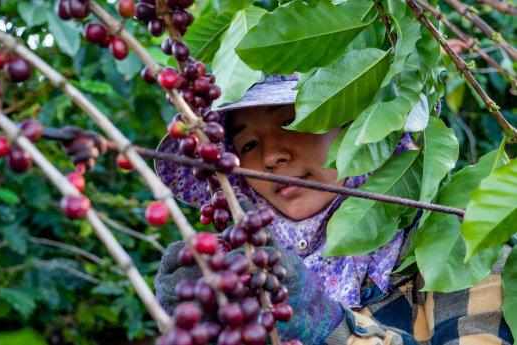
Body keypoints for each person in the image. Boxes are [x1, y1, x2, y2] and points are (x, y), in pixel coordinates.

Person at [151, 74, 514, 345]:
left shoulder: (458, 249)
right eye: (248, 144)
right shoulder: (246, 270)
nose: (270, 156)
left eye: (294, 122)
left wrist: (329, 327)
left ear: (361, 132)